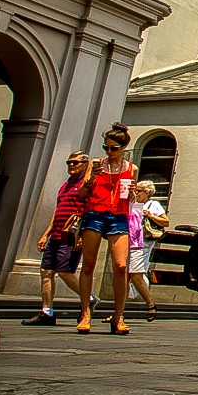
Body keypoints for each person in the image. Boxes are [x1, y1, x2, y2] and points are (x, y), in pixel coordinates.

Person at [76, 122, 137, 335]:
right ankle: (85, 313)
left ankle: (118, 316)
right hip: (95, 213)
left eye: (114, 148)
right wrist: (91, 178)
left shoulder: (131, 168)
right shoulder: (96, 164)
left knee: (120, 265)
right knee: (88, 264)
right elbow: (82, 194)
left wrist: (132, 195)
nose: (109, 152)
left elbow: (130, 198)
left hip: (119, 215)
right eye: (106, 147)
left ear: (123, 148)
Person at [23, 151, 91, 326]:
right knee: (46, 272)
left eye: (75, 163)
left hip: (72, 236)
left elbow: (88, 212)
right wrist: (45, 234)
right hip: (56, 235)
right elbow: (57, 212)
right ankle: (46, 311)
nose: (71, 165)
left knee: (65, 272)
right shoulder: (65, 185)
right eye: (69, 162)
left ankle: (88, 298)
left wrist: (82, 236)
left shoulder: (86, 186)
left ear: (85, 164)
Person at [122, 178, 167, 322]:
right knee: (124, 273)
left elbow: (166, 221)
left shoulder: (153, 205)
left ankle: (147, 303)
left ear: (147, 193)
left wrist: (150, 215)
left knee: (136, 274)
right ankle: (120, 311)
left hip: (143, 242)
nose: (136, 193)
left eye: (139, 191)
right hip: (127, 241)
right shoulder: (131, 203)